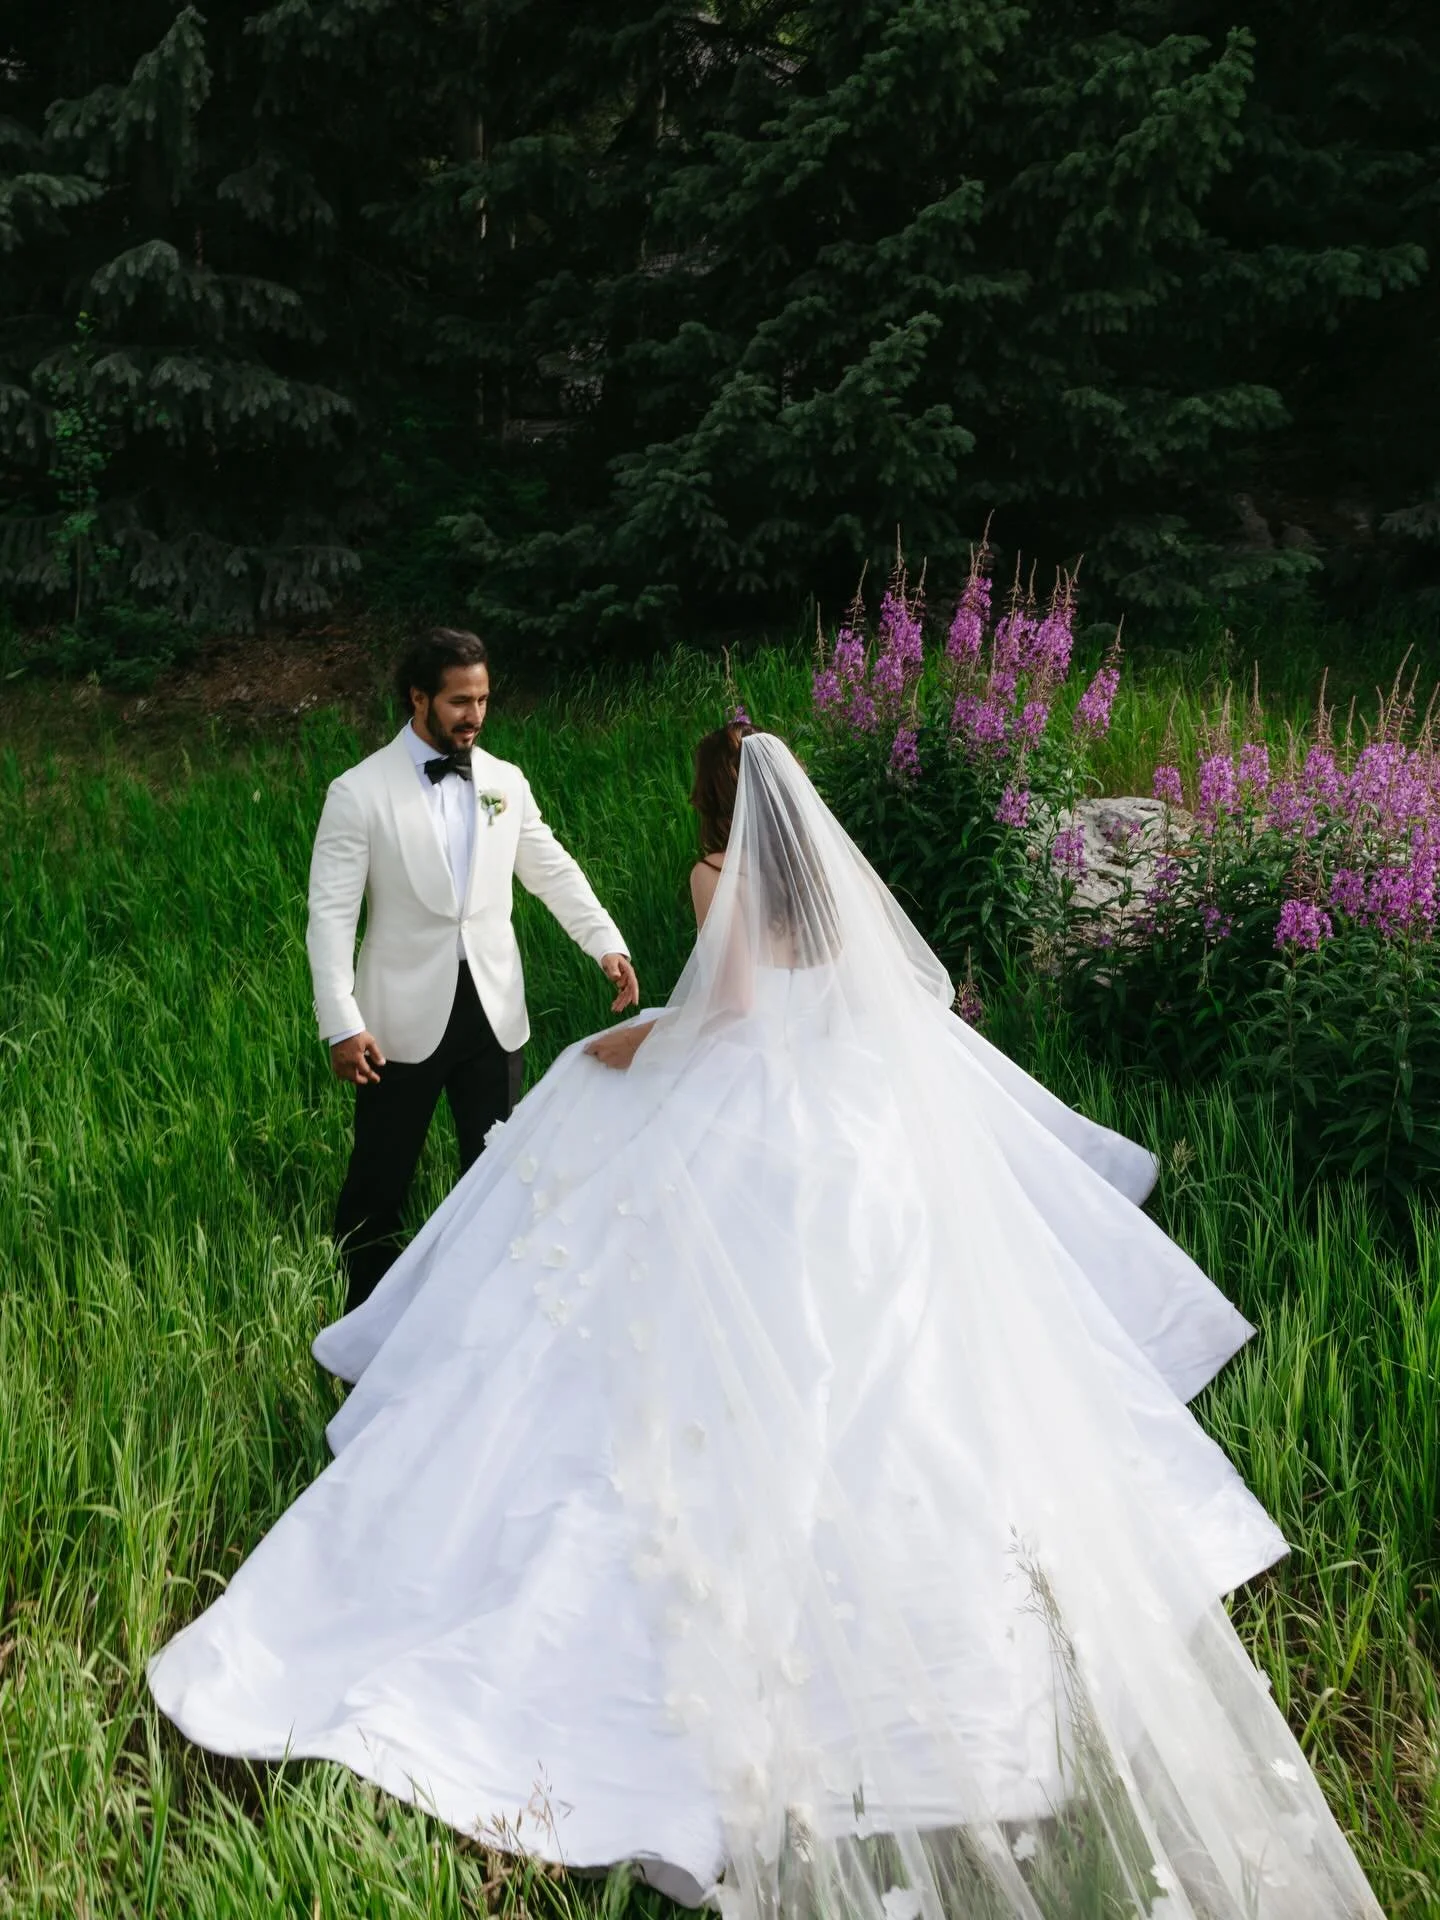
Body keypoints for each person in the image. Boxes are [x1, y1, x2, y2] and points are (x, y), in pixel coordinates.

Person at [151, 725, 1383, 1920]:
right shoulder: (829, 885)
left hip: (757, 1105)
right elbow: (882, 998)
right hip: (851, 1125)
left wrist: (623, 1046)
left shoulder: (716, 873)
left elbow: (726, 1015)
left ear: (713, 805)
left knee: (591, 1105)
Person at [306, 627, 638, 1311]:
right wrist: (341, 1022)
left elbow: (551, 869)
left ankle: (483, 1323)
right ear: (418, 697)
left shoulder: (504, 782)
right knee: (379, 1184)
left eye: (484, 700)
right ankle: (359, 1330)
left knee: (498, 1176)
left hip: (493, 1011)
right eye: (460, 701)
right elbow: (330, 918)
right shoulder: (357, 792)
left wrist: (605, 942)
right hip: (396, 1022)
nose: (475, 716)